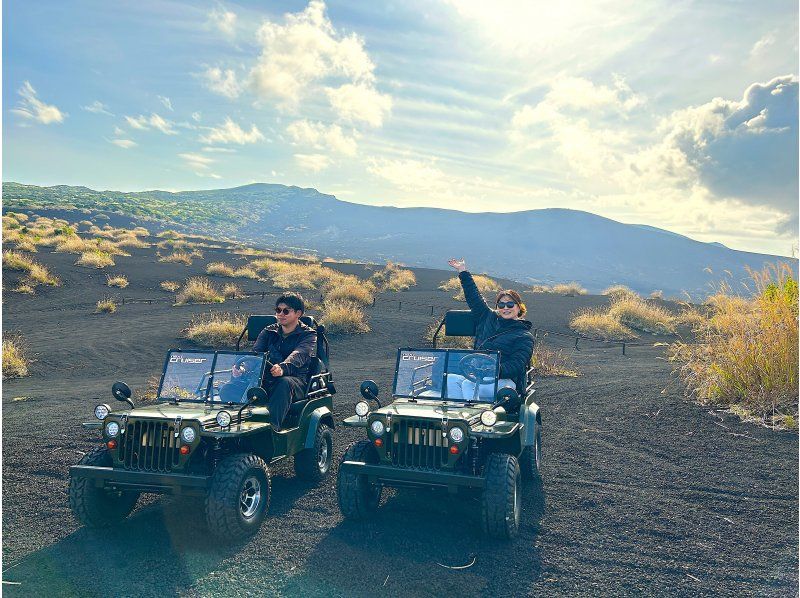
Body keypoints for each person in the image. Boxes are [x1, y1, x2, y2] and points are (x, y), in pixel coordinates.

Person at [446, 258, 534, 402]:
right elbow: (474, 297)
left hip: (504, 381)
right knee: (450, 379)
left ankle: (474, 420)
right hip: (478, 376)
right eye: (501, 305)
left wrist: (493, 370)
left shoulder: (524, 336)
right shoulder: (487, 317)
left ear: (519, 307)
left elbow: (517, 365)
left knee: (468, 385)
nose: (505, 308)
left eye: (510, 304)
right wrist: (462, 271)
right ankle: (455, 415)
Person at [253, 292, 317, 430]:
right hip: (267, 376)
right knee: (235, 384)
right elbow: (256, 353)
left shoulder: (308, 334)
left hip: (296, 380)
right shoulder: (268, 331)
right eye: (278, 310)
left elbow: (299, 354)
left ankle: (272, 429)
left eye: (286, 311)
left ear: (298, 313)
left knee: (284, 383)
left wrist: (283, 368)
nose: (280, 314)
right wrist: (243, 367)